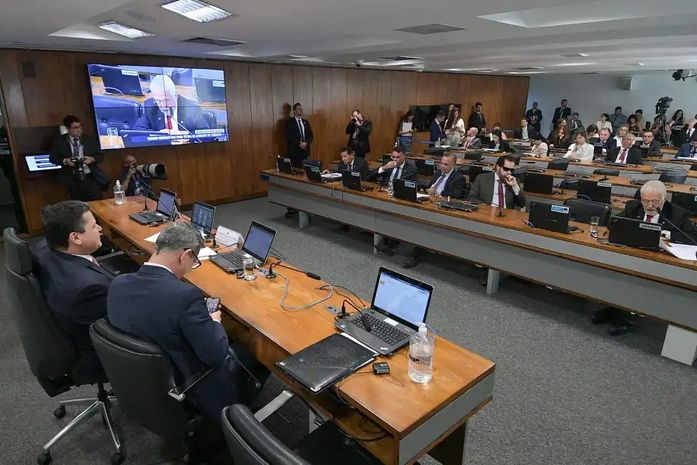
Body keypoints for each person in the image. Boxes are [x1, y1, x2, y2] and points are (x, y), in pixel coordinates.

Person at [107, 222, 267, 420]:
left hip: (140, 379)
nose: (192, 269)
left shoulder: (118, 283)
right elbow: (216, 355)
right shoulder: (184, 296)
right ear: (185, 255)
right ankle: (236, 418)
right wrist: (215, 321)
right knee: (257, 350)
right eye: (194, 261)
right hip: (186, 384)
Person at [594, 181, 697, 336]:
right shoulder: (633, 207)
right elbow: (612, 222)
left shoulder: (677, 213)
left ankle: (629, 313)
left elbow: (693, 236)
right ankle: (615, 307)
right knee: (615, 272)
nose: (649, 206)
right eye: (645, 201)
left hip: (659, 261)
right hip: (632, 255)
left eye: (654, 201)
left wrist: (666, 233)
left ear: (663, 199)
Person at [32, 201, 111, 380]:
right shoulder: (88, 289)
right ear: (75, 238)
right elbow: (123, 323)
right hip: (99, 357)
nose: (100, 228)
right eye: (94, 226)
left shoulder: (42, 249)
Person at [402, 153, 465, 269]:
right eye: (441, 163)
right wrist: (424, 190)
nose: (442, 166)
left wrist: (437, 192)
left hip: (443, 207)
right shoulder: (437, 174)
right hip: (428, 203)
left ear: (454, 164)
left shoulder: (459, 178)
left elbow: (456, 195)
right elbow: (430, 187)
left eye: (446, 164)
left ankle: (418, 250)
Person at [50, 115, 108, 201]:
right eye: (75, 127)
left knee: (97, 202)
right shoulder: (59, 141)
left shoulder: (90, 139)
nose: (79, 130)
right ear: (67, 128)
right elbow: (52, 158)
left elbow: (101, 156)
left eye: (80, 126)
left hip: (90, 177)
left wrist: (92, 159)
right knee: (79, 204)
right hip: (72, 178)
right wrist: (65, 161)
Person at [133, 74, 211, 133]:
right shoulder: (151, 106)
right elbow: (137, 130)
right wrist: (159, 134)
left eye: (167, 100)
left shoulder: (191, 109)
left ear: (175, 95)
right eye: (159, 101)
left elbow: (204, 132)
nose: (163, 105)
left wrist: (184, 136)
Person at [284, 102, 314, 167]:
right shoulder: (289, 122)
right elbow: (288, 137)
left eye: (301, 109)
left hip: (305, 152)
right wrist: (299, 144)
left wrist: (306, 143)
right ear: (294, 111)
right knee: (296, 171)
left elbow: (311, 136)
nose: (301, 110)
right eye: (298, 109)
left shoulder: (306, 122)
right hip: (294, 152)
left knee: (305, 170)